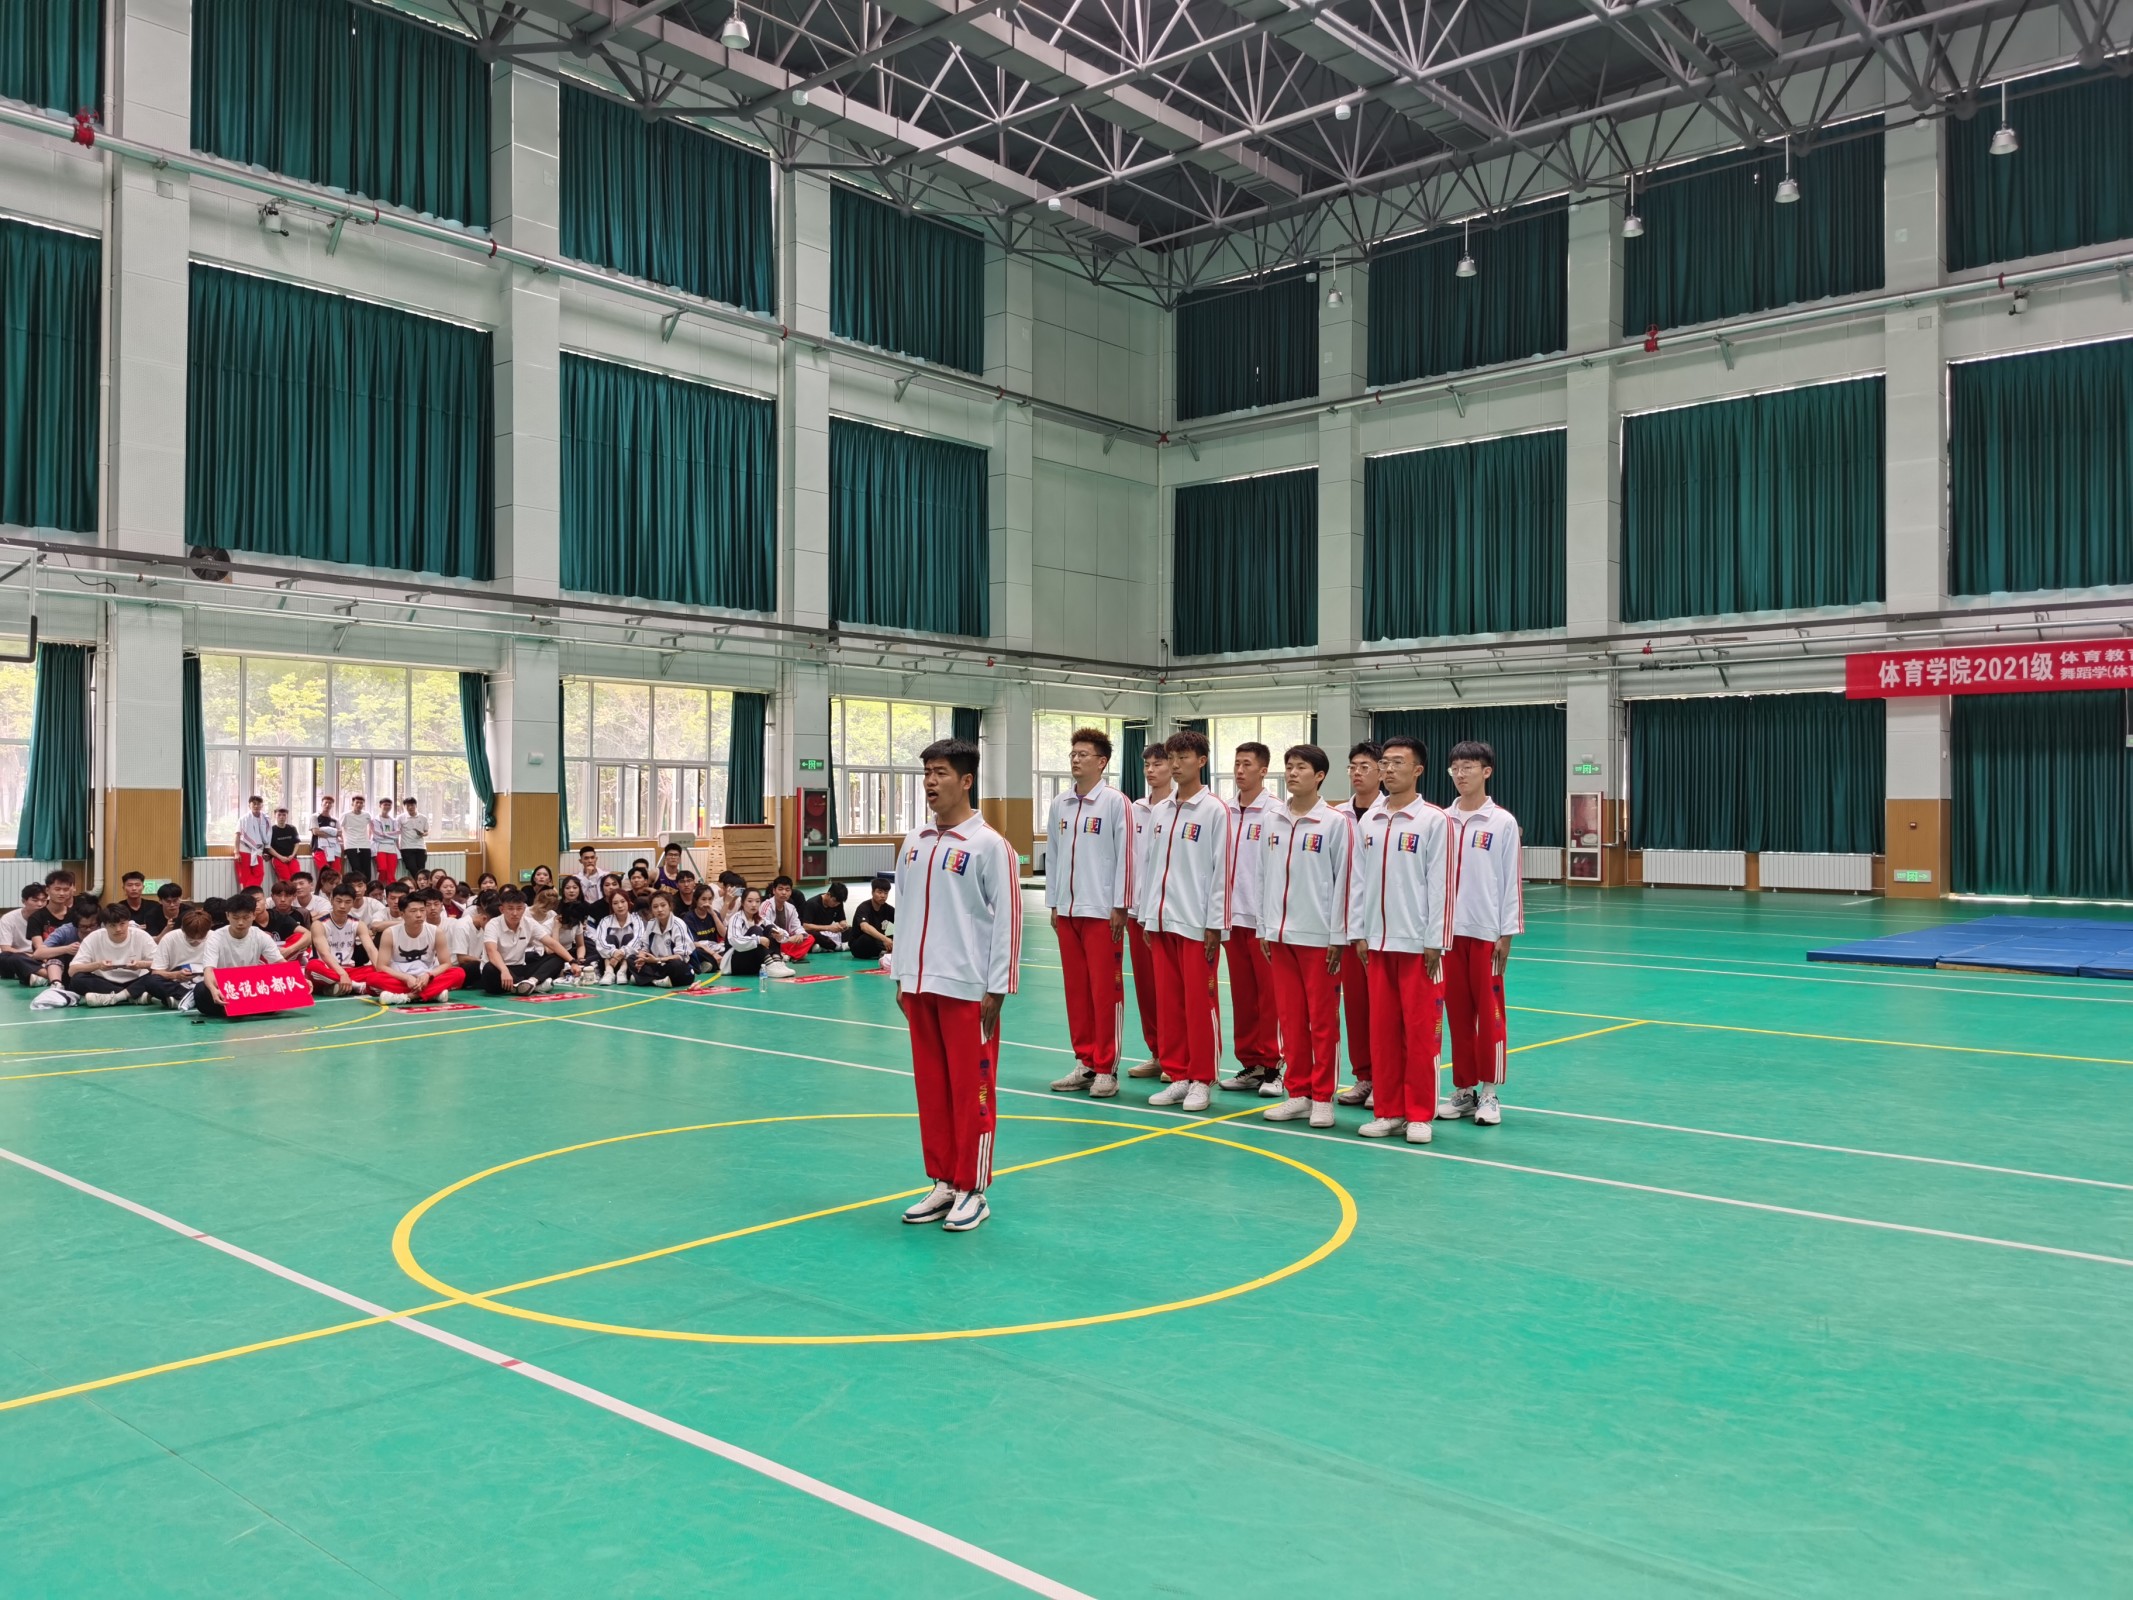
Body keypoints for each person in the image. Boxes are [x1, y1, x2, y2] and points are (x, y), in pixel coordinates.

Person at [892, 737, 1020, 1234]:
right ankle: (944, 1180)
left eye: (941, 772)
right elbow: (906, 910)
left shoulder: (990, 845)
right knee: (933, 1090)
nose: (930, 782)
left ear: (966, 781)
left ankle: (973, 1188)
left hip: (969, 990)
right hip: (920, 986)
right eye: (927, 772)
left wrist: (997, 987)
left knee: (973, 1092)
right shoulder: (915, 841)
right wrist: (902, 974)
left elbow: (1008, 921)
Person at [1348, 735, 1450, 1143]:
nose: (1388, 770)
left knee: (1420, 1033)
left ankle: (1420, 1114)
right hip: (1377, 943)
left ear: (1418, 770)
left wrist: (1435, 939)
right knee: (1383, 1032)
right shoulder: (1369, 821)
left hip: (1418, 946)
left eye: (1397, 763)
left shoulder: (1433, 821)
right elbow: (1358, 881)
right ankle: (1388, 1110)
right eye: (1385, 763)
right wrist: (1358, 931)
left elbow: (1441, 884)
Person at [1257, 745, 1356, 1127]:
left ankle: (1323, 1097)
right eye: (1289, 767)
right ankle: (1297, 1093)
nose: (1292, 773)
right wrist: (1265, 926)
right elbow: (1264, 876)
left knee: (1322, 1023)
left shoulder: (1335, 823)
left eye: (1301, 767)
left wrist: (1338, 936)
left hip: (1320, 940)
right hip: (1280, 937)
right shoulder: (1272, 820)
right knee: (1290, 1020)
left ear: (1319, 776)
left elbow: (1345, 881)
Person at [1141, 730, 1234, 1113]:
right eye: (1172, 758)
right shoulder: (1160, 811)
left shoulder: (1214, 810)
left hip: (1197, 925)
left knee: (1200, 1005)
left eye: (1183, 758)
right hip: (1162, 921)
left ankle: (1201, 1078)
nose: (1176, 765)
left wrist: (1215, 923)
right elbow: (1150, 866)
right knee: (1169, 1004)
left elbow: (1222, 869)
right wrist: (1148, 915)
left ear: (1202, 761)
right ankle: (1177, 1074)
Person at [1436, 741, 1524, 1128]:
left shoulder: (1501, 822)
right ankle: (1464, 1090)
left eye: (1468, 766)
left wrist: (1507, 933)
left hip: (1487, 932)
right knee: (1456, 1015)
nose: (1460, 774)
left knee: (1489, 1016)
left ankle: (1489, 1092)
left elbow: (1510, 881)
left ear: (1486, 772)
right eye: (1455, 767)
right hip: (1448, 935)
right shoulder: (1441, 820)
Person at [1045, 726, 1133, 1100]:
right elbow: (1053, 855)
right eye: (1073, 754)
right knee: (1077, 992)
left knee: (1104, 991)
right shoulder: (1060, 804)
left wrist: (1120, 905)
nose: (1076, 760)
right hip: (1068, 911)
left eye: (1084, 754)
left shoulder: (1115, 803)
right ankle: (1085, 1062)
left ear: (1102, 762)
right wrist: (1054, 903)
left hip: (1101, 912)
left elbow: (1127, 856)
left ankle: (1106, 1068)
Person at [1218, 741, 1283, 1098]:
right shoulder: (1224, 811)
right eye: (1236, 764)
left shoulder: (1276, 812)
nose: (1240, 771)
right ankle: (1251, 1063)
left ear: (1263, 770)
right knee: (1243, 998)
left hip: (1263, 922)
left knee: (1270, 997)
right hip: (1232, 918)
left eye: (1247, 764)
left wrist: (1271, 919)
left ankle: (1275, 1066)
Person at [1335, 741, 1387, 1109]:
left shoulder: (1391, 813)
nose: (1357, 772)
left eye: (1365, 766)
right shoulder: (1337, 816)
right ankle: (1365, 1076)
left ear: (1382, 771)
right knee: (1355, 1008)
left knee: (1384, 1009)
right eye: (1352, 766)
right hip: (1346, 928)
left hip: (1384, 929)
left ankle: (1387, 1078)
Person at [1123, 739, 1174, 1081]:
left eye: (1158, 764)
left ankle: (1179, 1057)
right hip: (1136, 912)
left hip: (1168, 914)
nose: (1151, 770)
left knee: (1171, 989)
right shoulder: (1134, 809)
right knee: (1146, 988)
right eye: (1147, 765)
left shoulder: (1179, 808)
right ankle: (1157, 1053)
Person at [349, 891, 468, 1005]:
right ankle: (432, 994)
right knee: (373, 978)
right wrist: (406, 978)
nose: (419, 915)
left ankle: (407, 997)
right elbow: (381, 966)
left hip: (426, 975)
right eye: (413, 911)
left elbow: (446, 963)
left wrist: (428, 975)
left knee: (459, 973)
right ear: (402, 914)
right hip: (400, 977)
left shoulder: (436, 932)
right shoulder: (390, 933)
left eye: (422, 910)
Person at [192, 892, 289, 1018]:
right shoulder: (215, 937)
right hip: (225, 987)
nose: (240, 923)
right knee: (201, 991)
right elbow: (208, 970)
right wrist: (213, 989)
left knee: (277, 984)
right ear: (227, 915)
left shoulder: (261, 936)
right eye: (236, 917)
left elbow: (279, 963)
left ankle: (240, 1009)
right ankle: (237, 1009)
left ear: (253, 915)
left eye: (246, 917)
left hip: (250, 986)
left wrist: (300, 979)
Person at [66, 904, 183, 1007]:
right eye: (112, 925)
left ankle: (117, 998)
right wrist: (98, 965)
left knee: (156, 977)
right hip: (105, 983)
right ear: (104, 925)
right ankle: (133, 996)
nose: (118, 929)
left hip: (136, 980)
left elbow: (163, 965)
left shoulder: (141, 936)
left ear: (128, 922)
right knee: (77, 980)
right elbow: (72, 971)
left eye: (122, 924)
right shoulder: (94, 937)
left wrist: (140, 965)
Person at [483, 887, 570, 994]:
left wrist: (573, 962)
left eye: (519, 908)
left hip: (520, 968)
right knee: (489, 968)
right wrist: (504, 970)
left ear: (524, 909)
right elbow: (492, 951)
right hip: (499, 969)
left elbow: (552, 943)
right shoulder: (493, 924)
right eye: (510, 908)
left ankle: (531, 982)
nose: (515, 913)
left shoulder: (529, 923)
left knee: (558, 957)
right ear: (502, 909)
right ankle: (532, 986)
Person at [306, 886, 367, 997]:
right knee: (312, 967)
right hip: (326, 970)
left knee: (375, 970)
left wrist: (381, 970)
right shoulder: (319, 924)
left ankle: (335, 987)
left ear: (353, 903)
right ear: (331, 900)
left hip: (348, 971)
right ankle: (354, 986)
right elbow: (324, 954)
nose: (342, 906)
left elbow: (371, 949)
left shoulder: (358, 924)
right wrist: (342, 974)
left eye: (347, 902)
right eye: (339, 901)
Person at [723, 887, 793, 979]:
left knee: (771, 929)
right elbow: (735, 941)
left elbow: (784, 934)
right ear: (742, 902)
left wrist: (780, 935)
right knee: (756, 930)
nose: (754, 905)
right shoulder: (736, 918)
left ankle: (777, 962)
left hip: (754, 963)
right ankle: (770, 965)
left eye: (757, 901)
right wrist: (758, 940)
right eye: (750, 901)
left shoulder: (760, 919)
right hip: (737, 964)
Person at [631, 891, 696, 987]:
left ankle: (646, 979)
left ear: (670, 906)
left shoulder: (678, 925)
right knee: (631, 958)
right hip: (657, 965)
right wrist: (641, 957)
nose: (659, 909)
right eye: (655, 907)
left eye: (663, 905)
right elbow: (644, 946)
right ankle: (657, 981)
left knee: (676, 965)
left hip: (677, 966)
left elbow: (681, 956)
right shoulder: (651, 924)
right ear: (651, 909)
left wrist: (657, 960)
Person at [154, 908, 214, 997]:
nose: (195, 941)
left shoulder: (215, 938)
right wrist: (176, 975)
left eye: (201, 938)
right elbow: (156, 972)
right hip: (177, 981)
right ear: (182, 929)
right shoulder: (170, 938)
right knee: (151, 981)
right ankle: (189, 997)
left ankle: (180, 998)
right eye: (190, 938)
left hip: (206, 982)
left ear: (208, 930)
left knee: (205, 987)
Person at [590, 888, 644, 984]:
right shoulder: (605, 921)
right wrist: (614, 952)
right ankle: (609, 972)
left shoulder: (636, 919)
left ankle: (622, 971)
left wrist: (622, 952)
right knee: (610, 938)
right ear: (611, 905)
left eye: (623, 901)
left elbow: (638, 940)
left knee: (629, 937)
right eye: (615, 903)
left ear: (628, 902)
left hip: (629, 964)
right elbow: (600, 942)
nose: (620, 906)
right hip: (609, 962)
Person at [0, 882, 47, 983]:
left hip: (44, 957)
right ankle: (46, 975)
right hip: (20, 956)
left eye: (43, 900)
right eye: (35, 900)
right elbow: (5, 948)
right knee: (4, 957)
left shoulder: (48, 917)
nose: (40, 904)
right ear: (24, 901)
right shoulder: (8, 918)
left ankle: (39, 976)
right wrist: (30, 956)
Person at [765, 876, 816, 964]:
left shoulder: (791, 908)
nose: (784, 892)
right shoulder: (766, 905)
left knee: (810, 938)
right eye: (780, 889)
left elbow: (797, 925)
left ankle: (786, 955)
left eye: (787, 890)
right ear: (774, 891)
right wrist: (787, 938)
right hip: (772, 941)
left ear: (791, 892)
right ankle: (794, 955)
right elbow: (766, 925)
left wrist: (800, 934)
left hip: (785, 942)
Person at [848, 875, 895, 965]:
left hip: (879, 942)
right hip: (860, 946)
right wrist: (885, 939)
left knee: (897, 937)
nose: (883, 896)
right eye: (879, 892)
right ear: (872, 892)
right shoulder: (863, 907)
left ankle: (885, 951)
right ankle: (884, 951)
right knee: (868, 938)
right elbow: (864, 927)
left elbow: (902, 923)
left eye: (886, 893)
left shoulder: (888, 909)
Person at [683, 884, 727, 972]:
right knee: (695, 951)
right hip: (701, 949)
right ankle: (717, 964)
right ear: (696, 900)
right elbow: (693, 943)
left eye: (710, 899)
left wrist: (713, 914)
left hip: (714, 948)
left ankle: (710, 965)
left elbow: (724, 934)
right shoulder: (689, 917)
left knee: (730, 949)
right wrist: (713, 954)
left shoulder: (714, 914)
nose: (707, 902)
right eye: (703, 899)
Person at [797, 882, 851, 952]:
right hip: (815, 932)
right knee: (813, 935)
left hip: (828, 932)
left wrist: (843, 925)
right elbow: (806, 926)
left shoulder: (838, 903)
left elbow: (842, 919)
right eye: (834, 901)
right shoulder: (812, 903)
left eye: (839, 903)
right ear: (828, 894)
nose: (836, 904)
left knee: (851, 930)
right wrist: (829, 928)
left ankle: (823, 947)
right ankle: (837, 946)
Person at [233, 796, 272, 890]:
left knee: (259, 873)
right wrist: (236, 852)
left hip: (258, 851)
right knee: (245, 876)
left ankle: (249, 894)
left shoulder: (266, 819)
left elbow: (267, 836)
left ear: (262, 805)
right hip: (245, 850)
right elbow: (237, 835)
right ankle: (248, 895)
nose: (256, 806)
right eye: (254, 803)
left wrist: (265, 851)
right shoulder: (243, 819)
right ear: (249, 805)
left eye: (258, 804)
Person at [341, 796, 373, 883]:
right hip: (351, 845)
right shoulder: (345, 815)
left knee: (367, 870)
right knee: (356, 869)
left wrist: (369, 839)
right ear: (352, 803)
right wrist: (343, 842)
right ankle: (357, 887)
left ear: (363, 804)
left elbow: (371, 828)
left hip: (365, 845)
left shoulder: (367, 815)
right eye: (357, 802)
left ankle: (366, 888)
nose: (359, 804)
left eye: (361, 803)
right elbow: (340, 829)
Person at [398, 797, 430, 878]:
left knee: (421, 870)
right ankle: (420, 883)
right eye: (407, 806)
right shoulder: (400, 818)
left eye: (412, 805)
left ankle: (420, 884)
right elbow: (396, 832)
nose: (410, 807)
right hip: (406, 847)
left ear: (416, 805)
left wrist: (423, 834)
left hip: (421, 847)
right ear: (404, 807)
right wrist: (397, 847)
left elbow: (427, 832)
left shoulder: (423, 818)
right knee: (412, 868)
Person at [268, 807, 302, 882]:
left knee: (297, 879)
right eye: (279, 815)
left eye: (284, 815)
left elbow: (297, 843)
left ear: (287, 816)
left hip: (291, 858)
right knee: (286, 880)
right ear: (275, 816)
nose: (281, 817)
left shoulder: (292, 828)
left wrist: (292, 855)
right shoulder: (271, 830)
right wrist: (280, 857)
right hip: (278, 859)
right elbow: (268, 847)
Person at [372, 797, 400, 887]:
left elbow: (397, 835)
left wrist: (384, 834)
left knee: (391, 873)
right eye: (385, 805)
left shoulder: (394, 820)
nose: (387, 806)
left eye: (389, 805)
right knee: (383, 869)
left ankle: (392, 891)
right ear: (380, 806)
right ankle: (380, 888)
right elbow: (376, 836)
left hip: (392, 848)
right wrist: (391, 835)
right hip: (380, 848)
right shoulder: (374, 820)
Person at [312, 796, 342, 878]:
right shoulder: (315, 817)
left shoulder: (335, 820)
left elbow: (339, 833)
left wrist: (324, 831)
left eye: (330, 803)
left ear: (332, 805)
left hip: (334, 848)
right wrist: (333, 833)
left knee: (336, 873)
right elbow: (316, 832)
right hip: (320, 849)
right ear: (322, 804)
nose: (328, 805)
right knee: (325, 873)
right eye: (326, 803)